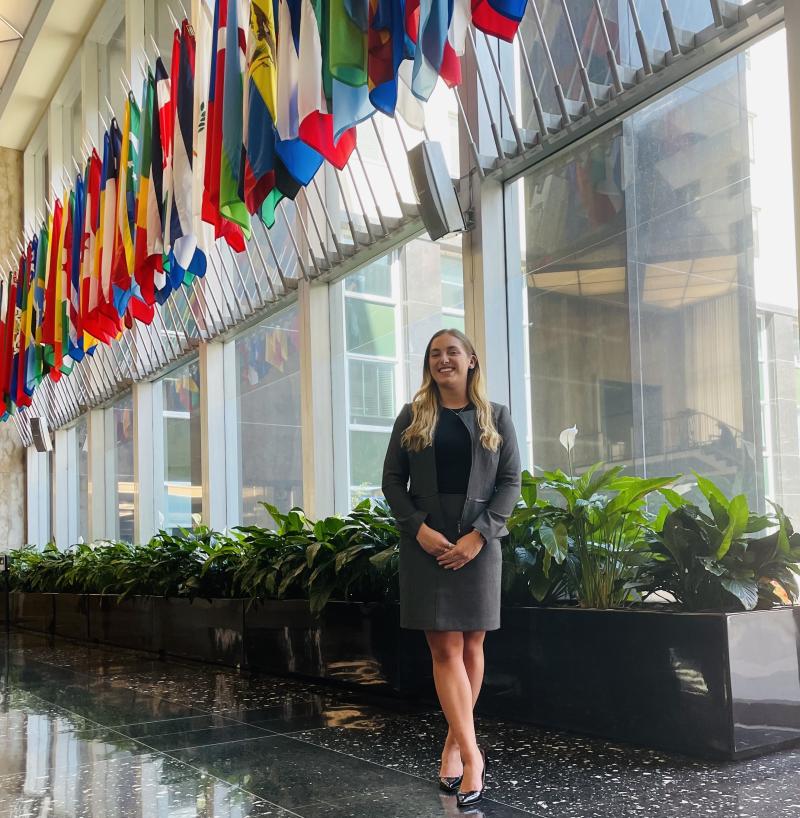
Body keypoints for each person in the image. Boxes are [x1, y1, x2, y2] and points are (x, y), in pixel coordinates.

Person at [381, 328, 521, 807]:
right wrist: (418, 529)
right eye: (435, 354)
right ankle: (474, 754)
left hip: (479, 543)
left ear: (472, 361)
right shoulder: (413, 414)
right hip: (427, 544)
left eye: (452, 352)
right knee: (444, 647)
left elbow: (510, 481)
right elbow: (392, 481)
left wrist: (480, 535)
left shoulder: (495, 416)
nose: (444, 360)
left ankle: (453, 747)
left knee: (473, 642)